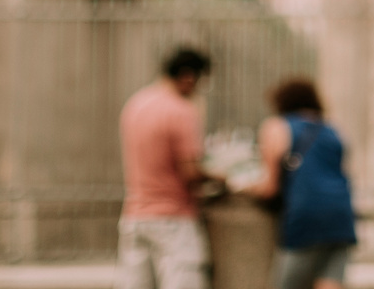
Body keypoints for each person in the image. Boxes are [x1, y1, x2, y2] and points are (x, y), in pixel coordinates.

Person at [118, 46, 221, 289]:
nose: (197, 90)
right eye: (199, 82)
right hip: (173, 220)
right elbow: (190, 172)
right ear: (187, 77)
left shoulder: (135, 104)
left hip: (135, 217)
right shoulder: (181, 111)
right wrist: (221, 178)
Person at [246, 77, 358, 289]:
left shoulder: (277, 127)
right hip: (341, 214)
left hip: (306, 215)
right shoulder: (333, 130)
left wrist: (244, 187)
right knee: (330, 283)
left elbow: (269, 188)